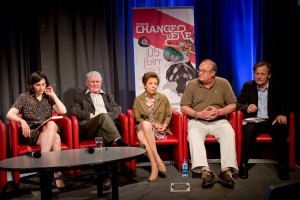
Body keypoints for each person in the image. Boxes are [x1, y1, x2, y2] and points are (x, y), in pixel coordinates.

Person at [180, 59, 238, 189]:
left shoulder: (223, 83)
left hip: (219, 120)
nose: (199, 73)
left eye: (203, 71)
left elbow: (233, 104)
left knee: (229, 132)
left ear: (212, 73)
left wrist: (219, 111)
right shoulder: (192, 84)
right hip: (197, 121)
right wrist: (198, 114)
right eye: (199, 70)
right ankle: (205, 171)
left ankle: (226, 171)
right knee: (193, 133)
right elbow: (184, 106)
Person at [6, 71, 69, 191]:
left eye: (44, 84)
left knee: (51, 126)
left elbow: (63, 111)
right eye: (38, 85)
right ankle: (57, 175)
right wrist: (22, 121)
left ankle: (42, 165)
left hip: (47, 132)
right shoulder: (24, 97)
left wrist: (53, 95)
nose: (41, 88)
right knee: (56, 137)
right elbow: (9, 114)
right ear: (32, 85)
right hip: (32, 134)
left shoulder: (48, 98)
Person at [69, 71, 129, 190]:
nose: (95, 84)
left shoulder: (108, 96)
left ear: (101, 82)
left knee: (101, 136)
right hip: (89, 126)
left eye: (97, 81)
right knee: (102, 116)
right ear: (87, 83)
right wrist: (90, 115)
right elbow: (73, 110)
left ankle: (104, 177)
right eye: (92, 81)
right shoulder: (80, 96)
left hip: (104, 128)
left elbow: (118, 108)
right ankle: (119, 140)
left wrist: (106, 118)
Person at [237, 61, 290, 180]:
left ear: (269, 75)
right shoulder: (248, 86)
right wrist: (247, 107)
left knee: (281, 129)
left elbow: (287, 102)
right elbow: (237, 103)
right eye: (257, 73)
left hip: (272, 120)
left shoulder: (278, 86)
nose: (259, 77)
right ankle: (243, 165)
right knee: (248, 130)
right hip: (255, 120)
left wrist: (282, 114)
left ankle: (283, 166)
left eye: (262, 74)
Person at [133, 71, 172, 182]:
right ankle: (158, 160)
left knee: (141, 135)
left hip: (158, 129)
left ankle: (154, 166)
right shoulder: (138, 99)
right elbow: (138, 118)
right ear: (145, 85)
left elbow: (169, 114)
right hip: (143, 125)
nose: (153, 86)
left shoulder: (163, 98)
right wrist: (150, 124)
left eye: (155, 83)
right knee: (145, 124)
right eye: (150, 83)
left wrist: (164, 125)